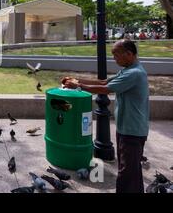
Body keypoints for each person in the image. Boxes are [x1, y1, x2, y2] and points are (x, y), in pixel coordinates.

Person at [62, 39, 149, 193]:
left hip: (132, 130)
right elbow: (103, 82)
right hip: (126, 128)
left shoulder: (134, 73)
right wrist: (76, 80)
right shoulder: (127, 70)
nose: (114, 59)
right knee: (130, 170)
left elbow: (105, 89)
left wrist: (79, 86)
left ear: (129, 54)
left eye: (116, 55)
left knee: (127, 173)